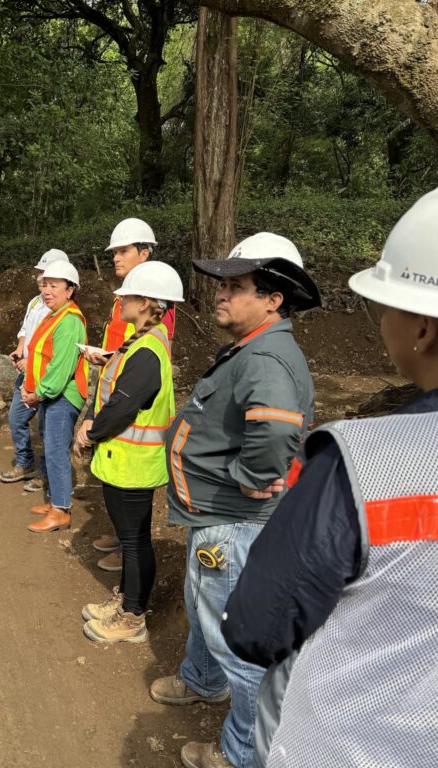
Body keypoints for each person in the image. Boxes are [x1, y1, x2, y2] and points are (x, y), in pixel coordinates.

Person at [221, 173, 438, 768]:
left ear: (423, 327)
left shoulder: (364, 464)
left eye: (385, 305)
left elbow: (257, 626)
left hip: (352, 746)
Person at [149, 233, 321, 768]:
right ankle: (203, 679)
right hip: (217, 515)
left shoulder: (266, 357)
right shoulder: (253, 347)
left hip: (234, 520)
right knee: (205, 606)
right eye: (222, 285)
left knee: (236, 640)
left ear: (273, 299)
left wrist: (253, 475)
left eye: (236, 286)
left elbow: (276, 430)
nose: (220, 294)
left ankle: (243, 751)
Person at [74, 262, 183, 644]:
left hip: (135, 464)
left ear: (147, 302)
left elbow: (123, 405)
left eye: (128, 296)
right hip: (123, 461)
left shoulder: (148, 351)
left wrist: (90, 432)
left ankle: (133, 616)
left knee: (135, 541)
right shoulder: (140, 342)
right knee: (130, 537)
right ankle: (126, 599)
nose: (120, 300)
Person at [87, 218, 177, 573]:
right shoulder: (125, 298)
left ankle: (129, 552)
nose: (116, 257)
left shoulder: (156, 300)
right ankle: (122, 539)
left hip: (131, 408)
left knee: (133, 513)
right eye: (114, 252)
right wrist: (108, 358)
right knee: (120, 498)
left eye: (123, 250)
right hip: (117, 384)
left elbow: (145, 363)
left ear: (144, 253)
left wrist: (93, 428)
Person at [22, 260, 89, 533]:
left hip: (63, 395)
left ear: (69, 290)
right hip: (52, 394)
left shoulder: (69, 320)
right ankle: (55, 501)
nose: (46, 291)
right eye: (45, 285)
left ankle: (61, 510)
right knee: (51, 446)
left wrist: (38, 393)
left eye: (54, 286)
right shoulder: (55, 315)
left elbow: (61, 368)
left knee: (56, 450)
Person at [0, 248, 70, 489]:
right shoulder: (34, 302)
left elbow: (56, 349)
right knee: (16, 418)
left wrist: (32, 362)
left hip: (47, 375)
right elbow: (25, 331)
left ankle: (46, 473)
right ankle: (25, 461)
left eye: (47, 275)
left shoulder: (61, 311)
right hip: (27, 374)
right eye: (40, 273)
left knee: (46, 427)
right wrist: (20, 351)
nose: (41, 278)